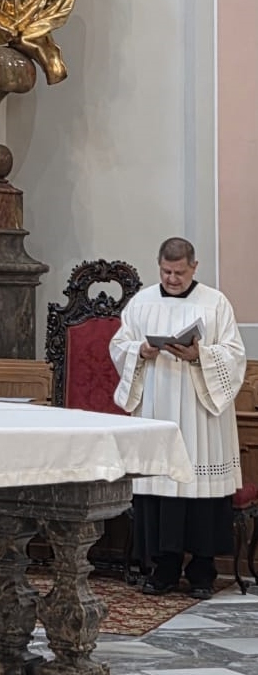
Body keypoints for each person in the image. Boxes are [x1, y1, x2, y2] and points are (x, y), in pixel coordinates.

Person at [110, 237, 246, 598]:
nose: (172, 279)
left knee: (199, 491)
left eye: (179, 273)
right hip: (157, 408)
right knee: (161, 489)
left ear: (194, 267)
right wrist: (140, 350)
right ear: (159, 266)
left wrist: (200, 355)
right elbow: (119, 346)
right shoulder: (142, 302)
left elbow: (235, 355)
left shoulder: (215, 303)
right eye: (166, 272)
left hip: (201, 413)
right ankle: (163, 569)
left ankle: (202, 573)